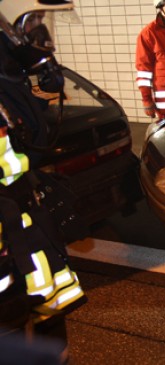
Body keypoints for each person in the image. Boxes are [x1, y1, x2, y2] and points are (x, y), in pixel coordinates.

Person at [0, 0, 87, 362]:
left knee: (45, 304)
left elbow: (33, 137)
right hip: (12, 233)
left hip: (25, 219)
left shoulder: (12, 89)